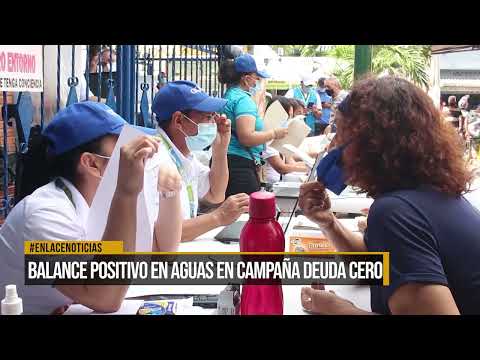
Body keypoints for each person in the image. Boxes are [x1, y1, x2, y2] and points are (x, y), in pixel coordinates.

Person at [299, 76, 480, 315]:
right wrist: (329, 223)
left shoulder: (395, 211)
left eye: (341, 134)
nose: (333, 146)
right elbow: (380, 266)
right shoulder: (431, 195)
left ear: (371, 143)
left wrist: (336, 308)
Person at [0, 101, 183, 314]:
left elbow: (163, 252)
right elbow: (105, 298)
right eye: (123, 148)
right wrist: (127, 192)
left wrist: (171, 189)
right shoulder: (44, 216)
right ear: (91, 163)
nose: (134, 155)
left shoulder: (98, 202)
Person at [151, 80, 249, 242]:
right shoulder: (155, 159)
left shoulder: (184, 156)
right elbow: (160, 233)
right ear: (178, 120)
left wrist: (220, 149)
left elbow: (215, 194)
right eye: (208, 117)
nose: (213, 123)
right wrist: (218, 217)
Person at [219, 54, 288, 197]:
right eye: (256, 78)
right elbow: (246, 137)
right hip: (239, 165)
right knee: (247, 213)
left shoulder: (230, 96)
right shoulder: (243, 100)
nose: (257, 83)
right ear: (246, 78)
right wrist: (274, 133)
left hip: (229, 161)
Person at [262, 96, 308, 184]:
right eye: (288, 116)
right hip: (269, 185)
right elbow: (281, 168)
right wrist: (305, 168)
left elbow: (290, 161)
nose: (289, 120)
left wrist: (309, 165)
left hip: (280, 182)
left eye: (291, 116)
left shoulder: (281, 136)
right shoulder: (267, 136)